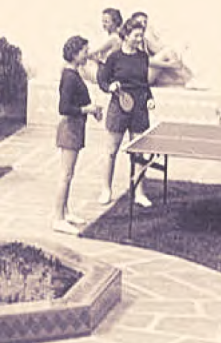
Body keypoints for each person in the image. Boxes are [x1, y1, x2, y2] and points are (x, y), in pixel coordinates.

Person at [96, 18, 155, 207]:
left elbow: (144, 83)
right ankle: (106, 189)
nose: (140, 39)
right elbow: (102, 80)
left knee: (140, 153)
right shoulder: (114, 57)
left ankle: (139, 193)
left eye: (141, 35)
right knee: (111, 151)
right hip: (118, 108)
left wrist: (150, 97)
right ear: (126, 36)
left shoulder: (143, 57)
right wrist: (109, 87)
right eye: (136, 35)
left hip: (139, 109)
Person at [53, 35, 103, 236]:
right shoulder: (69, 77)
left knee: (69, 174)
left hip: (76, 128)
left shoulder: (74, 73)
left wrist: (91, 109)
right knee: (65, 175)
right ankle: (57, 218)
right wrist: (88, 109)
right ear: (74, 54)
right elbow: (63, 107)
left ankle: (65, 212)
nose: (87, 53)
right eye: (84, 50)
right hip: (70, 129)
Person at [130, 11, 193, 87]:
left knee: (169, 52)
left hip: (145, 73)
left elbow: (160, 50)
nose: (143, 25)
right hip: (139, 77)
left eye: (145, 22)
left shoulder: (144, 40)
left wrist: (178, 53)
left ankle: (189, 78)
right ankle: (189, 79)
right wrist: (169, 65)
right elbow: (144, 60)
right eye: (140, 22)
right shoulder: (131, 40)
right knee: (167, 53)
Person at [81, 8, 123, 83]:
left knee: (80, 64)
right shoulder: (116, 36)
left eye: (106, 22)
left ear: (115, 22)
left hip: (107, 72)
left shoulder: (114, 38)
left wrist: (85, 55)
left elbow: (95, 51)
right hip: (110, 69)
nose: (103, 24)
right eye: (103, 21)